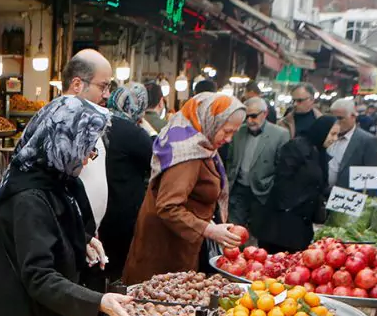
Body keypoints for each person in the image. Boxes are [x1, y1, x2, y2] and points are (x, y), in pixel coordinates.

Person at [0, 96, 143, 316]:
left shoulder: (56, 181)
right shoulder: (28, 198)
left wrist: (81, 239)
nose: (84, 161)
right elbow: (38, 275)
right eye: (84, 151)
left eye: (90, 152)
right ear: (61, 145)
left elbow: (50, 225)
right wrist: (98, 302)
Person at [122, 93, 246, 284]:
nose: (229, 139)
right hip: (165, 251)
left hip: (176, 245)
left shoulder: (202, 146)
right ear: (210, 119)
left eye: (234, 133)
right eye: (226, 131)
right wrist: (207, 230)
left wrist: (211, 225)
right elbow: (168, 206)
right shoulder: (188, 154)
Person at [260, 116, 339, 254]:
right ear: (322, 131)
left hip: (302, 222)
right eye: (332, 134)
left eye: (337, 134)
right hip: (282, 222)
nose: (335, 138)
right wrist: (289, 206)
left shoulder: (321, 153)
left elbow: (320, 186)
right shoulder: (296, 147)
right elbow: (283, 181)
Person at [100, 83, 153, 280]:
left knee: (98, 261)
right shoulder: (134, 133)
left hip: (96, 206)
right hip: (123, 208)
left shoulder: (98, 121)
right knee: (118, 265)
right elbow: (157, 158)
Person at [61, 49, 113, 228]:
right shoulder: (61, 126)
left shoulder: (87, 122)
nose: (107, 94)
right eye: (102, 86)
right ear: (77, 84)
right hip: (65, 239)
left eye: (109, 87)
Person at [225, 97, 289, 234]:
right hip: (238, 189)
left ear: (264, 114)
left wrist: (271, 187)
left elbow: (282, 168)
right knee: (234, 230)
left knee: (257, 232)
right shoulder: (238, 132)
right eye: (246, 117)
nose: (249, 120)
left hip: (263, 191)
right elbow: (230, 160)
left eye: (253, 116)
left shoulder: (280, 135)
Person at [328, 98, 377, 191]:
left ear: (353, 116)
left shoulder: (367, 140)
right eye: (333, 118)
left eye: (340, 118)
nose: (336, 122)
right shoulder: (326, 135)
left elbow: (371, 177)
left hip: (348, 197)